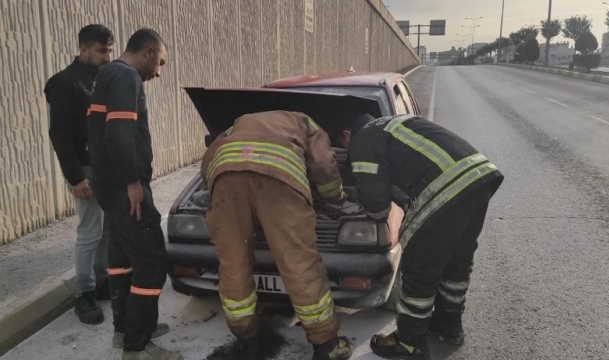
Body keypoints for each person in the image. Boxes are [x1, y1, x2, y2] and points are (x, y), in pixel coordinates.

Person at [336, 114, 504, 359]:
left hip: (446, 188)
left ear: (347, 134)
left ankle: (409, 342)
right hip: (477, 178)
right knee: (457, 264)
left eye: (344, 147)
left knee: (419, 269)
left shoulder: (363, 138)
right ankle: (449, 326)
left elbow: (377, 208)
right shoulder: (391, 125)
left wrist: (358, 199)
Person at [201, 110, 353, 360]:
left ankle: (247, 342)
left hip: (227, 181)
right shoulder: (306, 122)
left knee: (233, 264)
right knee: (299, 264)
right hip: (280, 183)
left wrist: (220, 191)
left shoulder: (240, 122)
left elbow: (208, 162)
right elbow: (324, 165)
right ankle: (326, 345)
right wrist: (335, 196)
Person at [87, 28, 180, 360]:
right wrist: (132, 184)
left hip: (107, 184)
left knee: (122, 259)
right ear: (149, 52)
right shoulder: (126, 77)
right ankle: (137, 347)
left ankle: (126, 329)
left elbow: (104, 134)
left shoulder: (107, 74)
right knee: (152, 260)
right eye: (161, 63)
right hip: (124, 187)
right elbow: (119, 133)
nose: (159, 72)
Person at [44, 24, 114, 325]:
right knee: (89, 233)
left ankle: (102, 282)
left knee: (106, 231)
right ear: (83, 49)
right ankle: (83, 295)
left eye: (110, 49)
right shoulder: (65, 83)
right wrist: (75, 178)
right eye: (102, 50)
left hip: (107, 168)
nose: (107, 56)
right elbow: (59, 134)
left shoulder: (100, 80)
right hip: (85, 169)